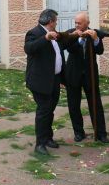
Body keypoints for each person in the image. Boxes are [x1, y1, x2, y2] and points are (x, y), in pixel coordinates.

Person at [24, 9, 74, 156]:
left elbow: (60, 48)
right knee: (43, 111)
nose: (56, 23)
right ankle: (40, 144)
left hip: (54, 79)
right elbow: (29, 48)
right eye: (55, 20)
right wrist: (45, 38)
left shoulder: (55, 34)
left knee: (49, 110)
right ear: (50, 21)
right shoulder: (34, 33)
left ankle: (48, 138)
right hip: (40, 81)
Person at [64, 12, 109, 144]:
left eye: (80, 23)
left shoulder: (93, 33)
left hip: (90, 74)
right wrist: (78, 39)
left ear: (87, 23)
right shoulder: (71, 33)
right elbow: (69, 48)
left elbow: (100, 51)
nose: (77, 25)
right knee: (74, 105)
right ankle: (78, 132)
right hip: (73, 74)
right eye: (76, 23)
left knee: (96, 104)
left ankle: (101, 133)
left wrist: (95, 40)